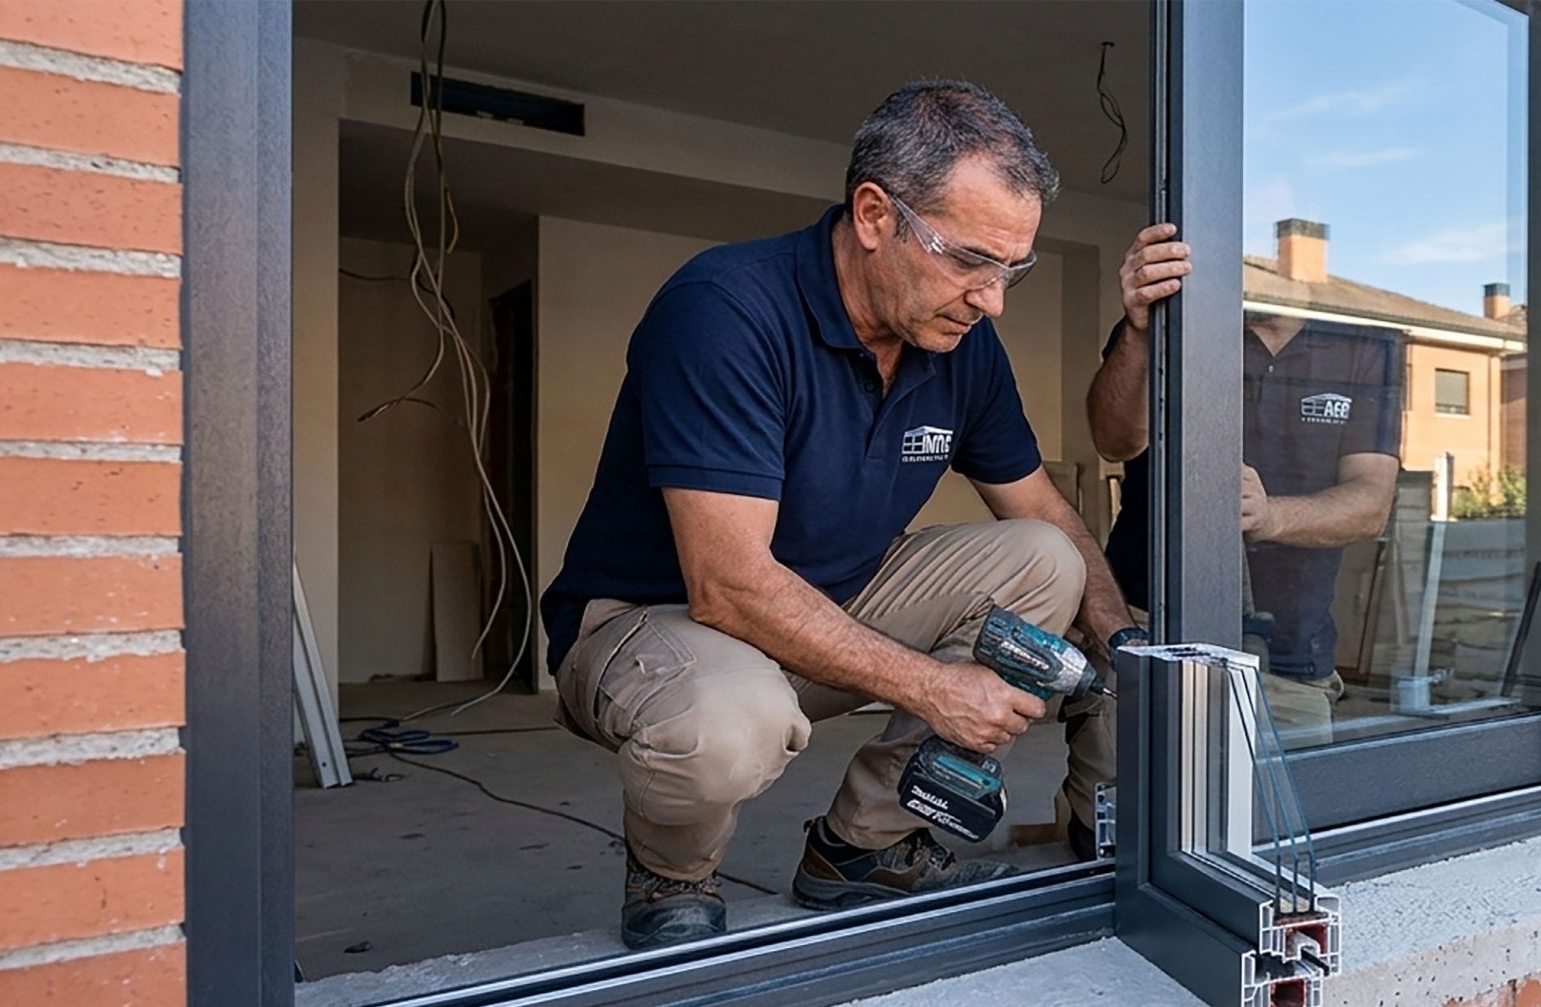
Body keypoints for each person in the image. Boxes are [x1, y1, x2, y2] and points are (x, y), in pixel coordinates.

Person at [539, 81, 1144, 950]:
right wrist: (940, 689)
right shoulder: (726, 310)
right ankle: (671, 874)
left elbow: (1042, 504)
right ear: (873, 215)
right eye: (970, 259)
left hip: (836, 600)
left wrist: (1122, 647)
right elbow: (728, 585)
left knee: (1047, 556)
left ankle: (866, 847)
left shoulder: (960, 340)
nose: (992, 299)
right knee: (726, 720)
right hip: (656, 621)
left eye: (1013, 269)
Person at [1086, 226, 1404, 746]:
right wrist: (1140, 332)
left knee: (1283, 822)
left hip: (1290, 657)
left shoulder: (1361, 343)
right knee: (1121, 818)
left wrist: (1268, 515)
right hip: (1144, 632)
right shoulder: (1172, 319)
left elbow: (1370, 505)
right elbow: (1112, 441)